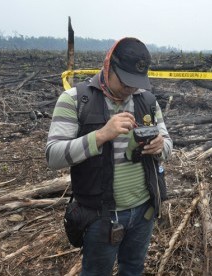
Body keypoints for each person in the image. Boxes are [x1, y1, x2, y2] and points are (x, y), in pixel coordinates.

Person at [46, 37, 172, 275]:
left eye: (136, 83)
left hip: (144, 213)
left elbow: (168, 145)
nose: (131, 89)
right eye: (125, 82)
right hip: (100, 217)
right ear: (108, 66)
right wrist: (101, 135)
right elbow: (53, 156)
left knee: (133, 268)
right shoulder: (74, 100)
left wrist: (160, 146)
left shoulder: (147, 101)